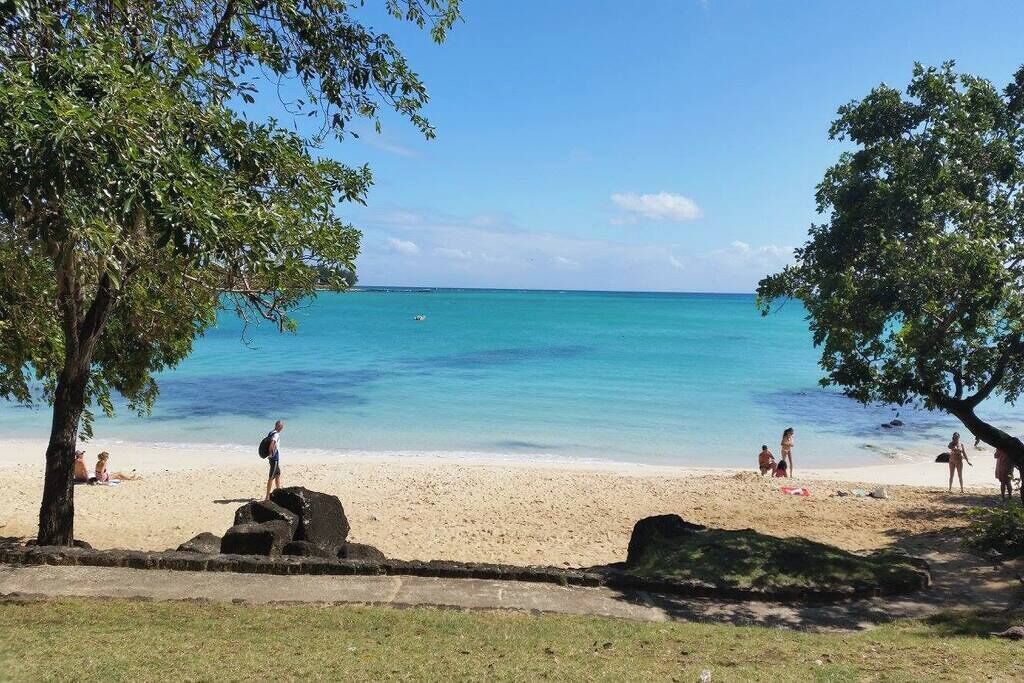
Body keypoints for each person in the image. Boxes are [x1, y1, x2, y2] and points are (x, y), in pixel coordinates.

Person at [265, 420, 285, 500]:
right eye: (281, 427)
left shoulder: (271, 432)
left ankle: (278, 490)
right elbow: (271, 444)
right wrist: (271, 454)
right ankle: (267, 496)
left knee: (278, 473)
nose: (282, 428)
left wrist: (269, 455)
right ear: (278, 426)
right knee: (271, 477)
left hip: (272, 458)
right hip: (274, 458)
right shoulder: (276, 435)